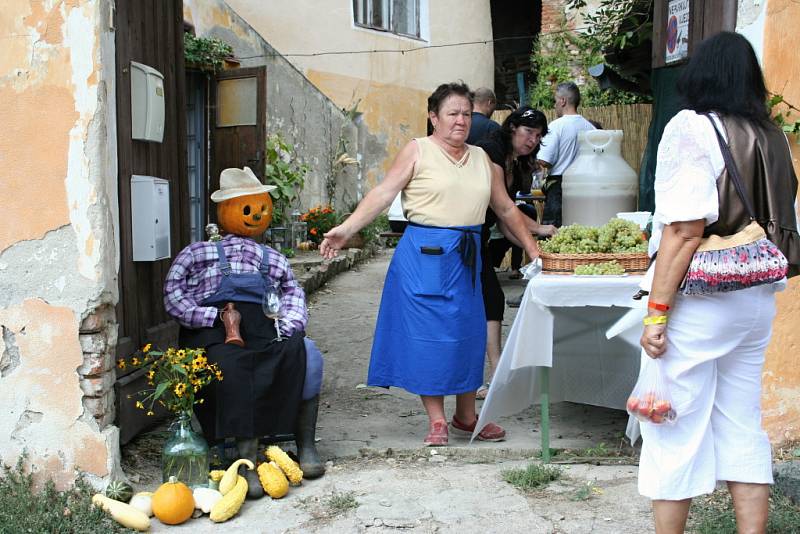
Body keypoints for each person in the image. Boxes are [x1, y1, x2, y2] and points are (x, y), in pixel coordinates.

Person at [320, 82, 541, 446]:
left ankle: (466, 416)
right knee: (430, 338)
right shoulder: (417, 151)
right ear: (433, 117)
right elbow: (383, 193)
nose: (461, 121)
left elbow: (506, 210)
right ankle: (437, 420)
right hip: (424, 257)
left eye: (467, 114)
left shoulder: (484, 161)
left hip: (469, 257)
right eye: (453, 113)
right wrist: (346, 229)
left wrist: (534, 251)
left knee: (469, 335)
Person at [638, 32, 799, 533]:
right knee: (741, 423)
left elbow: (684, 229)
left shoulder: (691, 127)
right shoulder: (771, 134)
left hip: (702, 299)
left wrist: (657, 312)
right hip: (755, 295)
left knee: (672, 428)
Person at [163, 167, 327, 499]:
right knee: (231, 364)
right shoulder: (198, 253)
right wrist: (209, 317)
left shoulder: (273, 258)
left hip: (263, 327)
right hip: (215, 329)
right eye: (246, 208)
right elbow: (173, 294)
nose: (255, 214)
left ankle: (305, 446)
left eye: (260, 207)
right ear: (226, 212)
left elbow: (294, 295)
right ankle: (246, 459)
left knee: (302, 352)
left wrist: (289, 326)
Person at [474, 107, 558, 399]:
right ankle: (488, 376)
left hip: (478, 237)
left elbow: (507, 225)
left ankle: (495, 374)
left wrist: (541, 236)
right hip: (459, 236)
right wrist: (535, 246)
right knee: (485, 302)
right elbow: (504, 209)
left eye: (538, 136)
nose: (532, 140)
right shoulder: (491, 151)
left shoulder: (517, 163)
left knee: (491, 301)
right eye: (528, 132)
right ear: (512, 128)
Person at [536, 82, 596, 227]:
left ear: (563, 101)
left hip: (559, 188)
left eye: (555, 100)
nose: (554, 104)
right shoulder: (591, 128)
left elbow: (545, 161)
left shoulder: (556, 126)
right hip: (586, 187)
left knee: (554, 236)